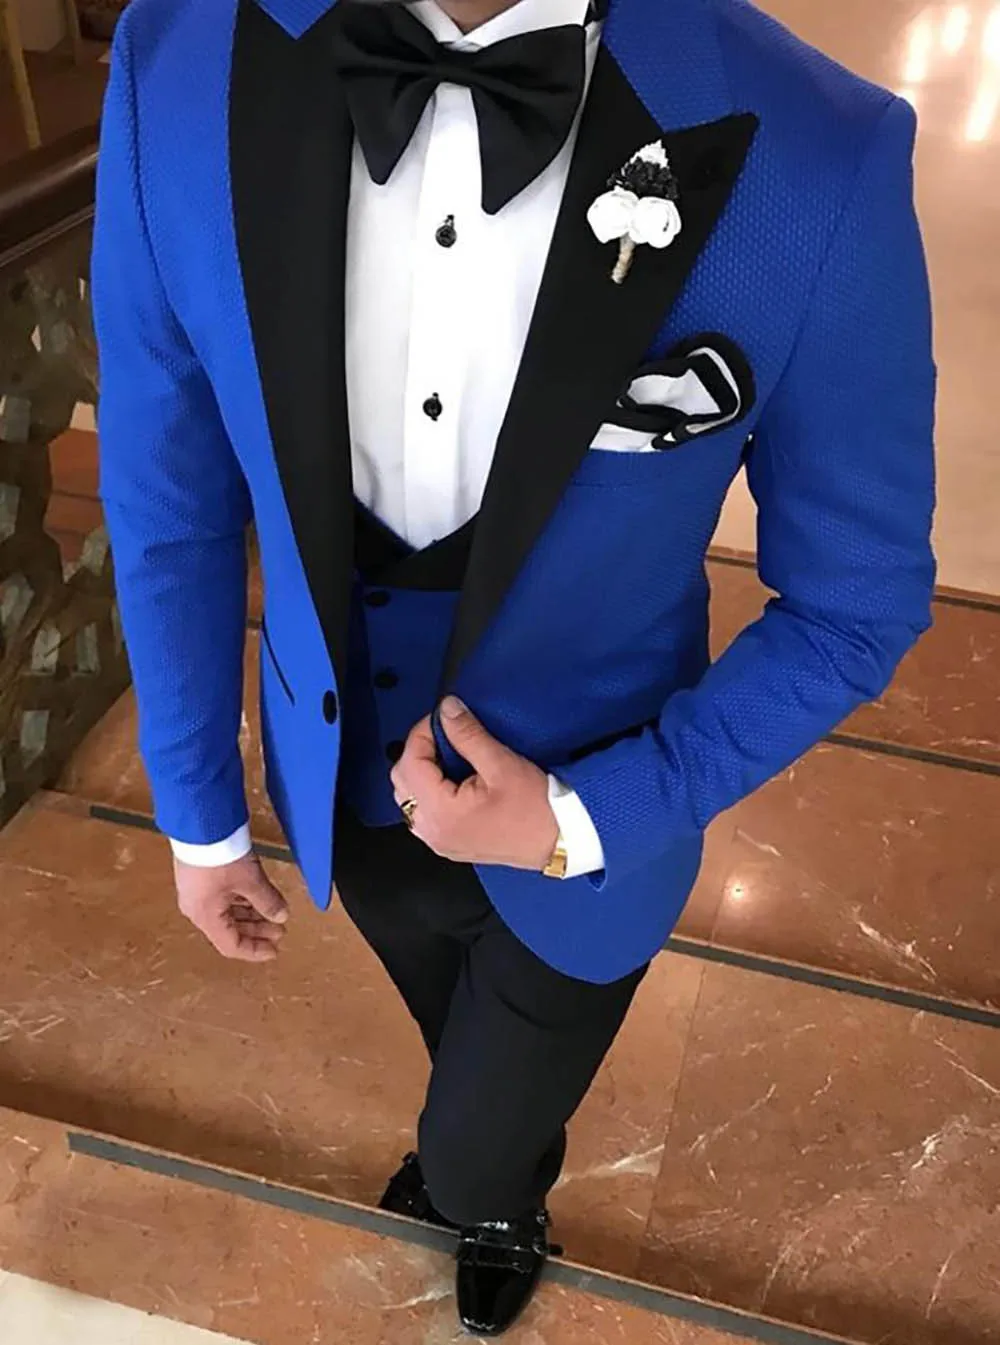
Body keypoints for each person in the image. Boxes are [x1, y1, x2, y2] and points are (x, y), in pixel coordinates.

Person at [93, 0, 936, 1333]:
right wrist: (200, 818)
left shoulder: (821, 149)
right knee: (449, 1028)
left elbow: (856, 602)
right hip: (339, 775)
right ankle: (485, 1145)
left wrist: (585, 816)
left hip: (600, 823)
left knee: (476, 1148)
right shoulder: (176, 59)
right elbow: (168, 494)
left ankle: (498, 1195)